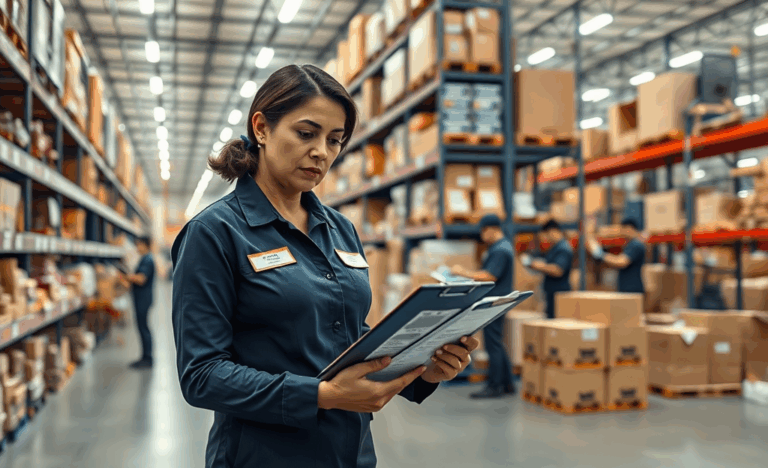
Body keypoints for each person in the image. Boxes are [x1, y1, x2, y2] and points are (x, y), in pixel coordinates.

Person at [171, 65, 478, 468]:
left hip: (350, 452)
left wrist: (423, 371)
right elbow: (202, 374)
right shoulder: (214, 233)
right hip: (263, 456)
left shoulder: (340, 229)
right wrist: (322, 395)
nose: (322, 152)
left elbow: (347, 331)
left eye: (335, 140)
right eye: (306, 133)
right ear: (261, 128)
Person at [450, 214, 516, 399]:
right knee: (497, 343)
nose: (482, 236)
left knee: (492, 344)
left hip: (494, 302)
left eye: (483, 232)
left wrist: (463, 273)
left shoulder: (500, 250)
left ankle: (494, 386)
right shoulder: (500, 247)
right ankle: (508, 383)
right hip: (497, 300)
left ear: (491, 229)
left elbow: (490, 276)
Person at [523, 220, 573, 319]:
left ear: (552, 231)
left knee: (556, 323)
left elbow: (558, 270)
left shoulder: (563, 248)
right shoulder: (555, 247)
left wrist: (537, 265)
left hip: (559, 295)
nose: (545, 239)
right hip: (552, 293)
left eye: (546, 235)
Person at [587, 218, 645, 294]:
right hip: (627, 289)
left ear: (630, 229)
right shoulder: (630, 244)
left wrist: (600, 254)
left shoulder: (636, 245)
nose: (621, 232)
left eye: (623, 229)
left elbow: (621, 262)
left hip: (632, 290)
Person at [127, 236, 156, 369]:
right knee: (142, 327)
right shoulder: (145, 258)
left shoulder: (147, 259)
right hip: (142, 298)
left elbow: (141, 279)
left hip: (143, 299)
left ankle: (147, 358)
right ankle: (145, 357)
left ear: (145, 245)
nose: (137, 247)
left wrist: (128, 276)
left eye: (139, 245)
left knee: (143, 328)